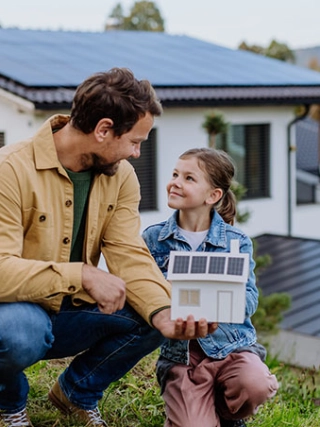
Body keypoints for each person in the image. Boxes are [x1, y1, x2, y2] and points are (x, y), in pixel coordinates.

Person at [0, 68, 214, 427]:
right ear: (103, 130)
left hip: (69, 312)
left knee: (151, 312)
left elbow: (128, 253)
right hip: (15, 314)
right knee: (18, 333)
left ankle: (76, 392)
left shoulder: (121, 178)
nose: (136, 153)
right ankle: (9, 403)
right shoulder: (9, 169)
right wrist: (82, 274)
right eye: (135, 141)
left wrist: (163, 312)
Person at [142, 147, 279, 427]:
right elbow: (144, 292)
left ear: (213, 195)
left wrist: (219, 302)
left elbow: (250, 298)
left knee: (256, 384)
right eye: (175, 174)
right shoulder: (154, 239)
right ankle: (199, 408)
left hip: (232, 348)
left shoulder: (236, 241)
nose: (176, 182)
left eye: (189, 178)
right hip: (183, 356)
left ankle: (227, 414)